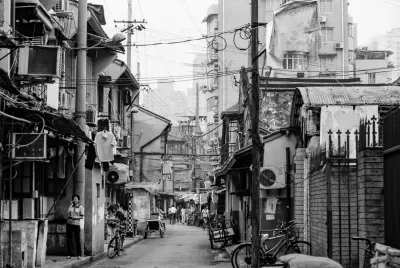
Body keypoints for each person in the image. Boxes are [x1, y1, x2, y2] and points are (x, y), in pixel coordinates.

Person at [66, 194, 84, 260]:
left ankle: (78, 255)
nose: (74, 200)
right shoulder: (71, 207)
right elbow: (68, 212)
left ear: (78, 200)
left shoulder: (81, 207)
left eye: (76, 199)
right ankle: (69, 254)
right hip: (69, 224)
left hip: (76, 224)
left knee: (77, 239)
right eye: (73, 198)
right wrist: (71, 205)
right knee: (69, 239)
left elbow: (81, 216)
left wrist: (75, 217)